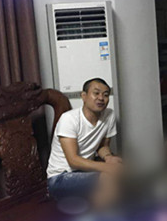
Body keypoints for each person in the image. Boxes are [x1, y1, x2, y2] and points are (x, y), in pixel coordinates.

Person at [46, 77, 123, 209]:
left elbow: (102, 146)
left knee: (121, 171)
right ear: (84, 96)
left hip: (84, 171)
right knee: (108, 178)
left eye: (105, 95)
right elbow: (73, 161)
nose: (101, 98)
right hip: (60, 177)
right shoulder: (69, 119)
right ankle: (106, 218)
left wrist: (108, 157)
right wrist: (107, 168)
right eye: (96, 93)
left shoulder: (109, 115)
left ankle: (101, 215)